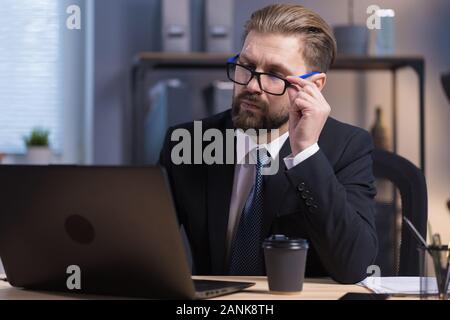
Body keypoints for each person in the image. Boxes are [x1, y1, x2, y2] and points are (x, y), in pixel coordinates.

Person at [159, 4, 377, 284]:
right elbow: (143, 244)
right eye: (246, 66)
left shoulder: (347, 147)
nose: (251, 85)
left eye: (274, 75)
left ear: (315, 86)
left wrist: (306, 153)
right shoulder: (189, 143)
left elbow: (353, 266)